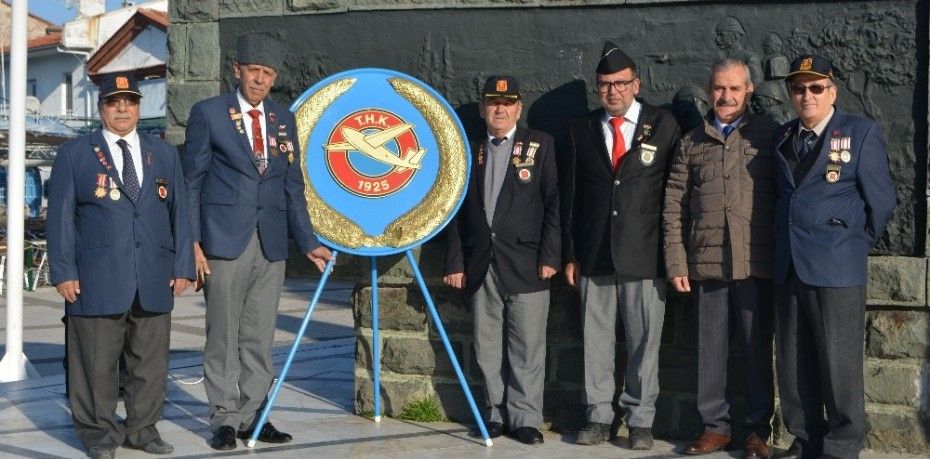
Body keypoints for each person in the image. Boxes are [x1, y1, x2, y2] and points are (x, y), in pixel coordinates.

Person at [182, 32, 334, 451]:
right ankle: (224, 419)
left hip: (271, 244)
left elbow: (292, 186)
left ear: (274, 77)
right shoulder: (209, 114)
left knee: (260, 335)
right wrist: (191, 244)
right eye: (253, 71)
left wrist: (308, 241)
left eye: (267, 73)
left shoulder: (285, 119)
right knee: (223, 334)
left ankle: (255, 414)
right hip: (223, 241)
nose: (260, 80)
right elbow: (191, 183)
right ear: (238, 70)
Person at [47, 72, 194, 459]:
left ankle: (142, 429)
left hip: (153, 274)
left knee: (149, 361)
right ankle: (98, 432)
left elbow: (181, 212)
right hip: (96, 278)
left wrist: (183, 265)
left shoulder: (162, 153)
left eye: (129, 101)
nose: (123, 108)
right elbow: (59, 219)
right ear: (101, 108)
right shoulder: (74, 154)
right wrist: (63, 271)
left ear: (140, 107)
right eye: (114, 102)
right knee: (95, 364)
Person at [772, 55, 895, 459]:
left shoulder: (859, 133)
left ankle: (841, 446)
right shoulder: (783, 136)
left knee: (839, 366)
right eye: (798, 88)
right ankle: (805, 437)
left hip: (837, 266)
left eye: (816, 87)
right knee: (793, 364)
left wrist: (852, 245)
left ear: (832, 92)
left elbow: (881, 201)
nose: (806, 95)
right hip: (790, 263)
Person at [561, 41, 681, 450]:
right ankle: (597, 415)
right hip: (594, 252)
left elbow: (672, 192)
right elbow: (572, 194)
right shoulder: (580, 128)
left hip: (644, 252)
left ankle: (641, 419)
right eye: (604, 85)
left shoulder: (663, 124)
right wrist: (572, 253)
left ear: (636, 84)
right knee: (594, 340)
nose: (612, 91)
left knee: (645, 340)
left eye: (620, 83)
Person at [663, 59, 779, 459]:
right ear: (708, 89)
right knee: (709, 352)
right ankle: (714, 427)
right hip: (707, 264)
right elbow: (674, 206)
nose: (725, 97)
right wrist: (677, 263)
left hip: (755, 263)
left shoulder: (769, 135)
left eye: (734, 89)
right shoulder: (692, 142)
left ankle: (756, 431)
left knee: (755, 351)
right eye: (718, 88)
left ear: (749, 90)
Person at [443, 75, 560, 446]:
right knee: (487, 342)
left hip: (527, 262)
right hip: (482, 263)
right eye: (493, 102)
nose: (500, 108)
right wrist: (455, 262)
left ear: (518, 108)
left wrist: (551, 255)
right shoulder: (470, 148)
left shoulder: (540, 144)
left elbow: (555, 202)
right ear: (481, 109)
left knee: (527, 345)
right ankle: (493, 413)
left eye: (507, 103)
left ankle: (525, 417)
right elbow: (456, 212)